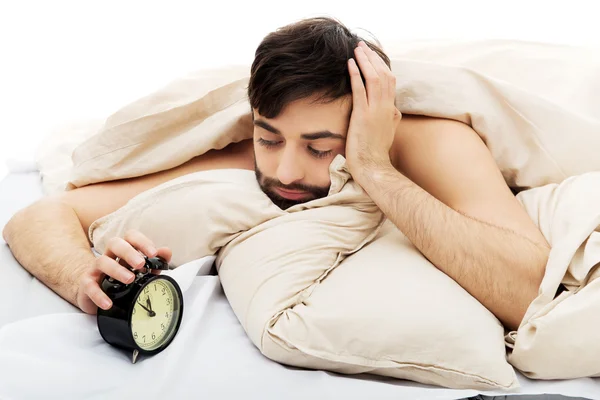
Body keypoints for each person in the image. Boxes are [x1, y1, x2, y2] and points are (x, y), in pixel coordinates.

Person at [2, 17, 550, 331]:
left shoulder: (434, 142)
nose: (286, 170)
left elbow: (528, 292)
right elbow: (41, 215)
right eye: (270, 138)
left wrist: (375, 169)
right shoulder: (243, 146)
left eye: (320, 147)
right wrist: (79, 276)